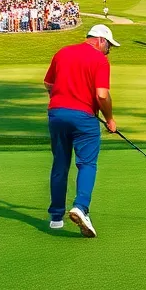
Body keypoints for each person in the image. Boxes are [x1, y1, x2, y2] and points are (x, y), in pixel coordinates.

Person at [43, 24, 121, 238]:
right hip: (84, 118)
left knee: (60, 163)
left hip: (57, 114)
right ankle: (81, 207)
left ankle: (56, 218)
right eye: (109, 46)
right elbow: (102, 95)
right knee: (86, 163)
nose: (109, 50)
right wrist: (110, 120)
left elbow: (49, 84)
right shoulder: (100, 59)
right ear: (101, 40)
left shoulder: (63, 52)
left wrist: (61, 103)